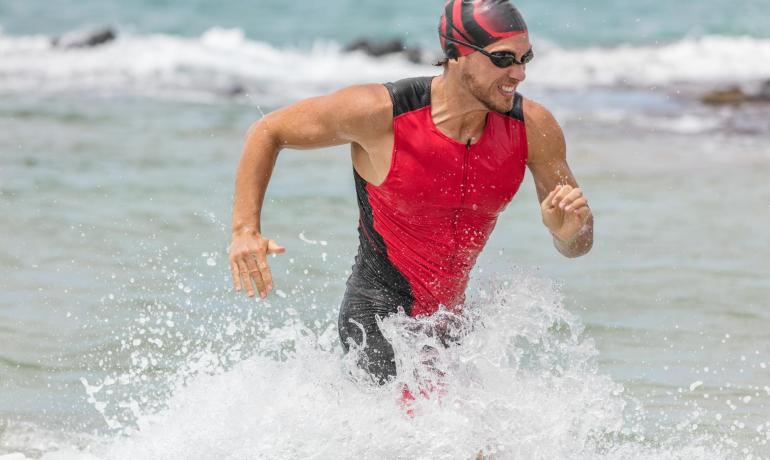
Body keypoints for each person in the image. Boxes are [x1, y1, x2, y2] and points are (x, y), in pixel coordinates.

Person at [229, 0, 593, 385]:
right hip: (379, 319)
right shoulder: (382, 113)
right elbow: (268, 131)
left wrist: (568, 231)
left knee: (474, 444)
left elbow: (578, 245)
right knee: (448, 443)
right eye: (503, 59)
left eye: (526, 58)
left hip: (450, 328)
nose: (518, 73)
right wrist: (244, 230)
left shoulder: (533, 128)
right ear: (456, 54)